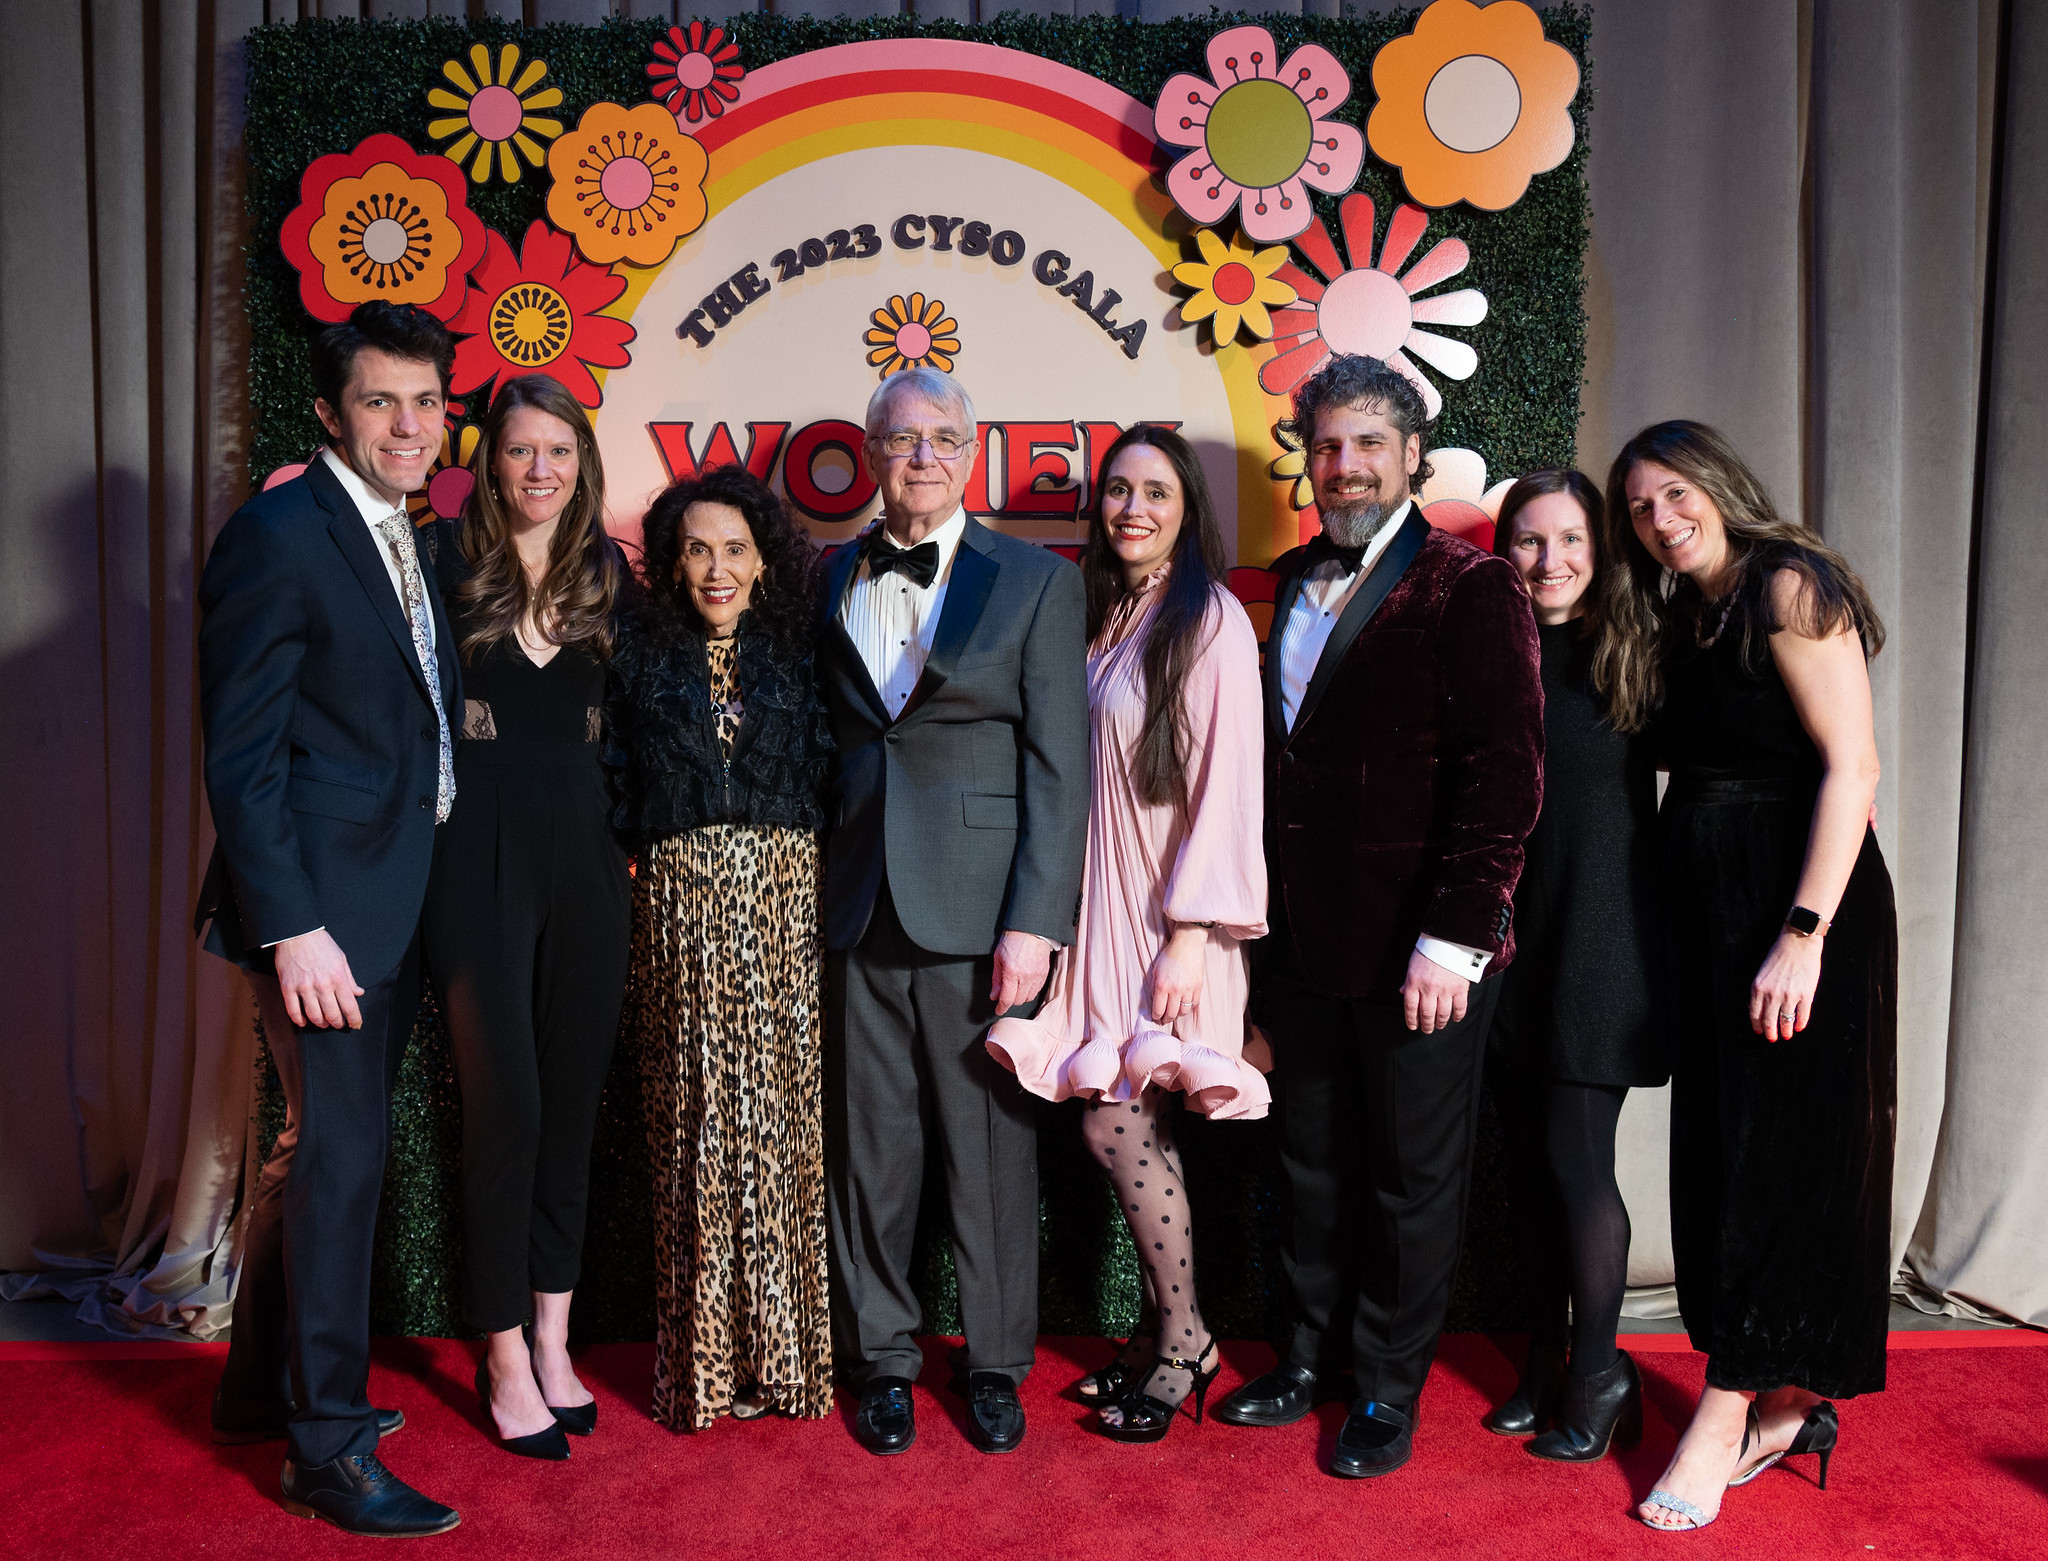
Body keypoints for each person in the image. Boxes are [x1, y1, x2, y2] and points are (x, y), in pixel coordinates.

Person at [1213, 353, 1543, 1480]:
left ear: (1411, 455)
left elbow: (1504, 774)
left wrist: (1455, 939)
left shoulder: (1469, 584)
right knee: (1308, 1166)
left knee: (1410, 1181)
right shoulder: (1288, 581)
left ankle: (1387, 1392)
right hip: (1303, 943)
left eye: (1366, 443)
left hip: (1421, 952)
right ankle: (1307, 1360)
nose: (1343, 464)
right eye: (1326, 445)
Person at [197, 301, 463, 1537]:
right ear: (327, 411)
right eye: (379, 401)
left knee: (322, 1152)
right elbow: (241, 757)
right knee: (345, 1162)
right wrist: (292, 926)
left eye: (425, 400)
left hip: (390, 890)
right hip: (322, 914)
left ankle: (261, 1388)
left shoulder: (404, 530)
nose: (408, 424)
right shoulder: (278, 534)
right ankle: (327, 1450)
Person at [1603, 421, 1895, 1532]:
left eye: (1676, 494)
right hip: (1709, 916)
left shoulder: (1787, 583)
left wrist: (1804, 932)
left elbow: (1853, 767)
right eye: (1639, 507)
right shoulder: (1676, 611)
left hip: (1794, 905)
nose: (1660, 520)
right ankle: (1787, 1401)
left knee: (1780, 1158)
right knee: (1728, 1153)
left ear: (1720, 486)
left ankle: (1723, 1410)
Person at [819, 366, 1089, 1457]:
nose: (920, 456)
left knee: (988, 1152)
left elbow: (1060, 766)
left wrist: (1037, 921)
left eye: (940, 438)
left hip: (982, 918)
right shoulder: (827, 572)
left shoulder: (1035, 580)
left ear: (971, 453)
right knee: (868, 1151)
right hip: (853, 906)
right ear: (872, 454)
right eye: (900, 439)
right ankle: (881, 1358)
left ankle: (993, 1361)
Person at [985, 425, 1268, 1443]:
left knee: (1116, 1124)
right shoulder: (1104, 612)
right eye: (1117, 490)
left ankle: (1187, 1340)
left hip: (1169, 912)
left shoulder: (1210, 619)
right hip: (1104, 906)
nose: (1133, 508)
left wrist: (1190, 931)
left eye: (1155, 491)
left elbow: (1228, 782)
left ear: (1188, 509)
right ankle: (1159, 1337)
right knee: (1131, 1121)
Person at [416, 375, 630, 1460]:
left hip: (588, 863)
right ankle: (500, 1352)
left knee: (572, 1107)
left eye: (558, 450)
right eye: (519, 450)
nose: (539, 469)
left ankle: (553, 1337)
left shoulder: (609, 574)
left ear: (581, 462)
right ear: (488, 462)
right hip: (473, 861)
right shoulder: (439, 566)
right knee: (507, 1108)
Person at [609, 464, 836, 1430]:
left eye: (735, 549)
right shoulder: (636, 656)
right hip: (680, 900)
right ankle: (702, 1364)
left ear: (764, 561)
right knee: (697, 1121)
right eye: (697, 549)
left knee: (779, 1123)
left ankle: (784, 1360)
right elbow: (613, 781)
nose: (716, 568)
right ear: (670, 561)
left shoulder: (802, 655)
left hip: (783, 897)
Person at [1479, 470, 1667, 1460]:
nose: (1548, 561)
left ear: (1599, 552)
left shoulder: (1636, 650)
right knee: (1525, 1171)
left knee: (1575, 1160)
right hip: (1514, 944)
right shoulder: (1492, 649)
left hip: (1603, 944)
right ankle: (1543, 1362)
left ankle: (1599, 1372)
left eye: (1570, 541)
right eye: (1528, 540)